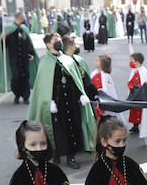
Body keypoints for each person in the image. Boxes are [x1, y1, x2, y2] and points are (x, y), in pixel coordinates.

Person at [29, 33, 97, 170]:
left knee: (72, 127)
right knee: (57, 130)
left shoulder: (68, 60)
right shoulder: (45, 63)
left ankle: (71, 156)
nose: (59, 42)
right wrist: (49, 101)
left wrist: (80, 95)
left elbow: (75, 80)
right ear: (48, 44)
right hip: (56, 103)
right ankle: (56, 153)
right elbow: (42, 87)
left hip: (71, 100)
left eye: (59, 39)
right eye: (55, 40)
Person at [0, 11, 38, 104]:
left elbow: (28, 43)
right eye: (22, 18)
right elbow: (4, 46)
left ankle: (25, 97)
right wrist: (3, 39)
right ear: (18, 18)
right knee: (16, 77)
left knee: (25, 76)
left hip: (24, 58)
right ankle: (17, 95)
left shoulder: (23, 29)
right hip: (14, 58)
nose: (23, 20)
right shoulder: (8, 30)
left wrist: (31, 53)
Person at [126, 52, 147, 134]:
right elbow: (130, 81)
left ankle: (141, 126)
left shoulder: (143, 71)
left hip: (140, 94)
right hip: (134, 94)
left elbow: (144, 82)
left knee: (140, 111)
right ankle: (135, 126)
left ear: (137, 62)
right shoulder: (133, 71)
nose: (131, 62)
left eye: (132, 60)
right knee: (134, 110)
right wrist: (130, 86)